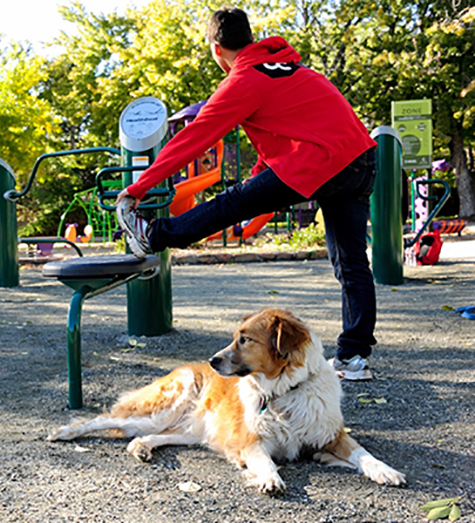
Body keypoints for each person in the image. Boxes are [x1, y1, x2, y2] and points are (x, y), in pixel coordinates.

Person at [115, 7, 377, 381]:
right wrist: (259, 208)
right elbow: (272, 156)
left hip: (322, 161)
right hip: (360, 160)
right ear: (249, 38)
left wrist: (137, 188)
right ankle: (353, 359)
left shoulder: (245, 81)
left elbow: (194, 137)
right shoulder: (288, 69)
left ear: (215, 48)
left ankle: (152, 235)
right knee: (352, 263)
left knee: (230, 201)